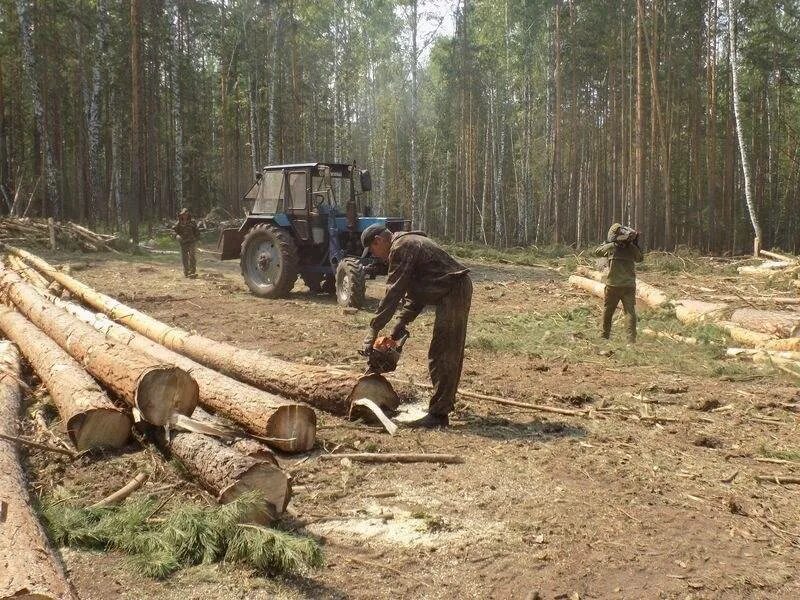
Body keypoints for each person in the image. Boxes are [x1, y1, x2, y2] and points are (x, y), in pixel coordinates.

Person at [361, 224, 472, 429]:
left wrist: (373, 329)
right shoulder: (409, 243)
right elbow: (417, 294)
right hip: (451, 289)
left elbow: (393, 292)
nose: (376, 256)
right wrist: (399, 324)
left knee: (443, 353)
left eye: (373, 251)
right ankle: (443, 404)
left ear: (378, 241)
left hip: (454, 290)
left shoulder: (401, 247)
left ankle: (439, 415)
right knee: (443, 352)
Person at [593, 223, 643, 343]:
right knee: (630, 312)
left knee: (608, 311)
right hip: (628, 286)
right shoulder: (632, 249)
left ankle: (604, 336)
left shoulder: (611, 247)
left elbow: (597, 252)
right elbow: (640, 258)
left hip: (612, 285)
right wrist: (635, 244)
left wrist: (609, 244)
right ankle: (630, 340)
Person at [173, 208, 199, 278]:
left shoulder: (192, 222)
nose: (185, 216)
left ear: (188, 215)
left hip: (191, 242)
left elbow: (197, 231)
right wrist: (177, 236)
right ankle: (186, 272)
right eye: (183, 215)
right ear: (181, 215)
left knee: (192, 256)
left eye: (186, 214)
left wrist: (195, 238)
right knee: (184, 257)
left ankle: (192, 271)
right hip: (183, 242)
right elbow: (173, 231)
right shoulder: (178, 223)